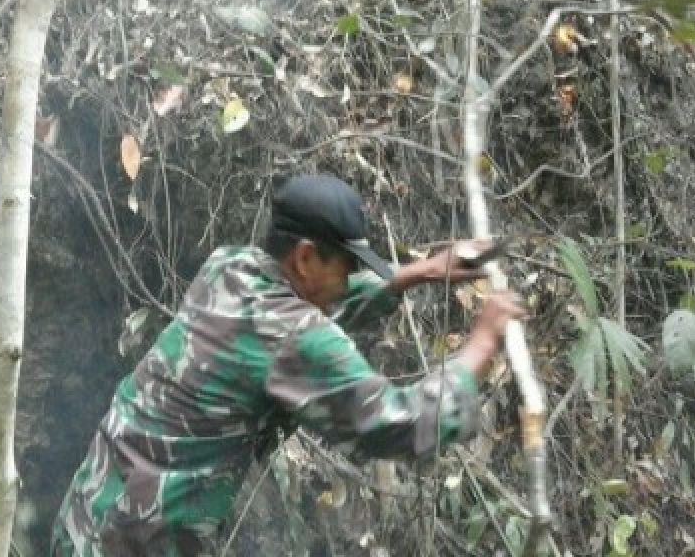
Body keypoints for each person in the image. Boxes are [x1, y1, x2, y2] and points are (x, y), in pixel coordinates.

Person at [51, 174, 525, 556]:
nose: (349, 278)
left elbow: (310, 311)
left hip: (87, 515)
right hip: (138, 541)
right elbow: (400, 423)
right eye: (344, 265)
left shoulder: (230, 268)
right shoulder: (294, 338)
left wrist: (420, 272)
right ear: (303, 257)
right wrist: (482, 341)